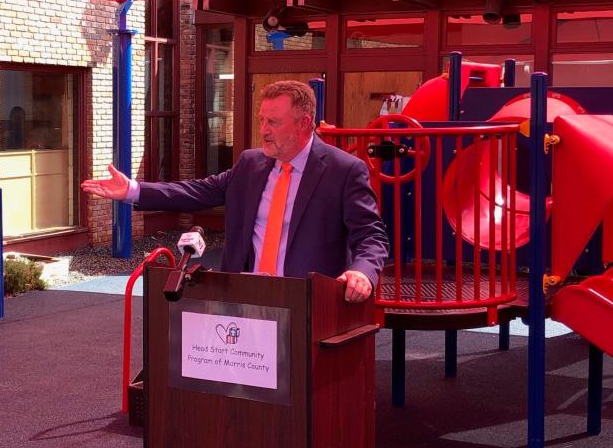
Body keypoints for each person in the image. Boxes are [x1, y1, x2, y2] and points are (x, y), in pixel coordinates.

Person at [81, 80, 387, 301]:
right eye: (262, 120)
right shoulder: (250, 164)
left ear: (304, 123)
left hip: (307, 301)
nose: (264, 130)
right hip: (244, 297)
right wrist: (134, 190)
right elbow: (198, 192)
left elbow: (371, 236)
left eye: (274, 122)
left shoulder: (343, 170)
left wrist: (362, 272)